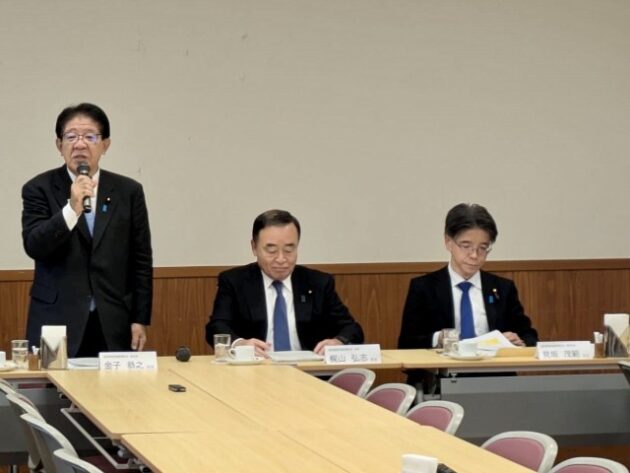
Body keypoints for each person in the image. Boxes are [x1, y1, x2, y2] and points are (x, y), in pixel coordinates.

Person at [22, 103, 153, 357]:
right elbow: (35, 246)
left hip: (113, 319)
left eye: (90, 137)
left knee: (114, 383)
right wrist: (72, 209)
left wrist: (140, 318)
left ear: (105, 145)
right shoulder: (38, 188)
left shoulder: (128, 191)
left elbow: (141, 260)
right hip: (56, 319)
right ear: (59, 145)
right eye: (71, 137)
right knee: (52, 382)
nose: (80, 144)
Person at [206, 209, 364, 357]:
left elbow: (352, 329)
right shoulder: (234, 281)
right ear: (254, 247)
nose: (281, 259)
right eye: (271, 250)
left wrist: (338, 342)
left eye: (289, 250)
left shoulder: (318, 283)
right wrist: (240, 344)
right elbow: (217, 327)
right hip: (255, 369)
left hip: (309, 371)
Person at [398, 203, 538, 352]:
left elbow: (529, 335)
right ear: (448, 242)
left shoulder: (503, 288)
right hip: (443, 365)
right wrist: (437, 338)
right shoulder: (424, 288)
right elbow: (406, 343)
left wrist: (519, 342)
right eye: (466, 246)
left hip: (492, 365)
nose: (474, 255)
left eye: (483, 248)